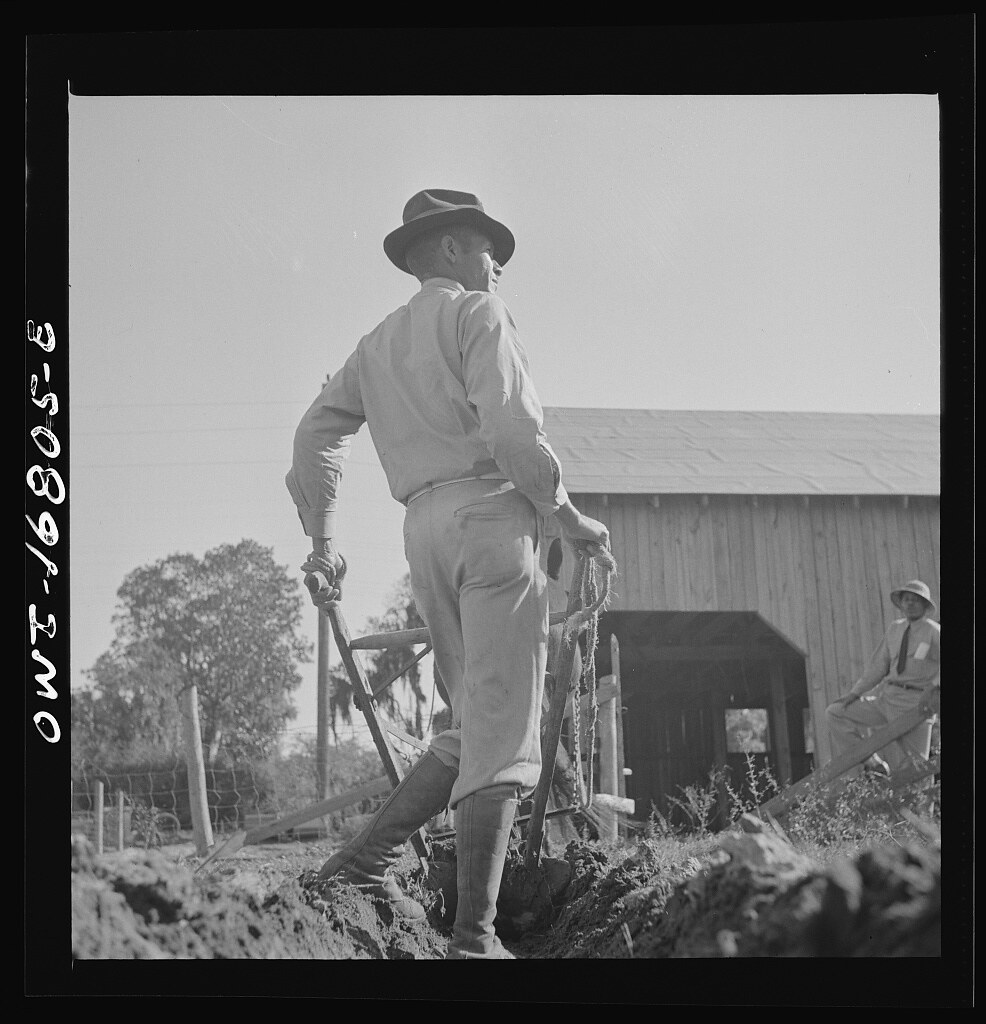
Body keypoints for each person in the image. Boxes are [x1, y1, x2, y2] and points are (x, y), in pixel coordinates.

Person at [285, 189, 610, 959]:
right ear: (455, 249)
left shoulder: (375, 344)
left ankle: (365, 861)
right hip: (494, 519)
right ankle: (475, 938)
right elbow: (510, 428)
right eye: (489, 249)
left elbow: (315, 434)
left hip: (422, 529)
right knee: (503, 736)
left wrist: (324, 539)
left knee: (472, 726)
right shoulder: (477, 315)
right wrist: (569, 518)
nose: (498, 265)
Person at [825, 579, 940, 781]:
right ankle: (873, 763)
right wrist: (854, 694)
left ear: (924, 605)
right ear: (901, 604)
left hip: (915, 705)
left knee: (919, 767)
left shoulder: (933, 631)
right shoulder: (894, 629)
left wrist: (932, 689)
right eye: (907, 599)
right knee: (835, 712)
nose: (911, 603)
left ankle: (925, 812)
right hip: (887, 698)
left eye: (916, 600)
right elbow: (877, 668)